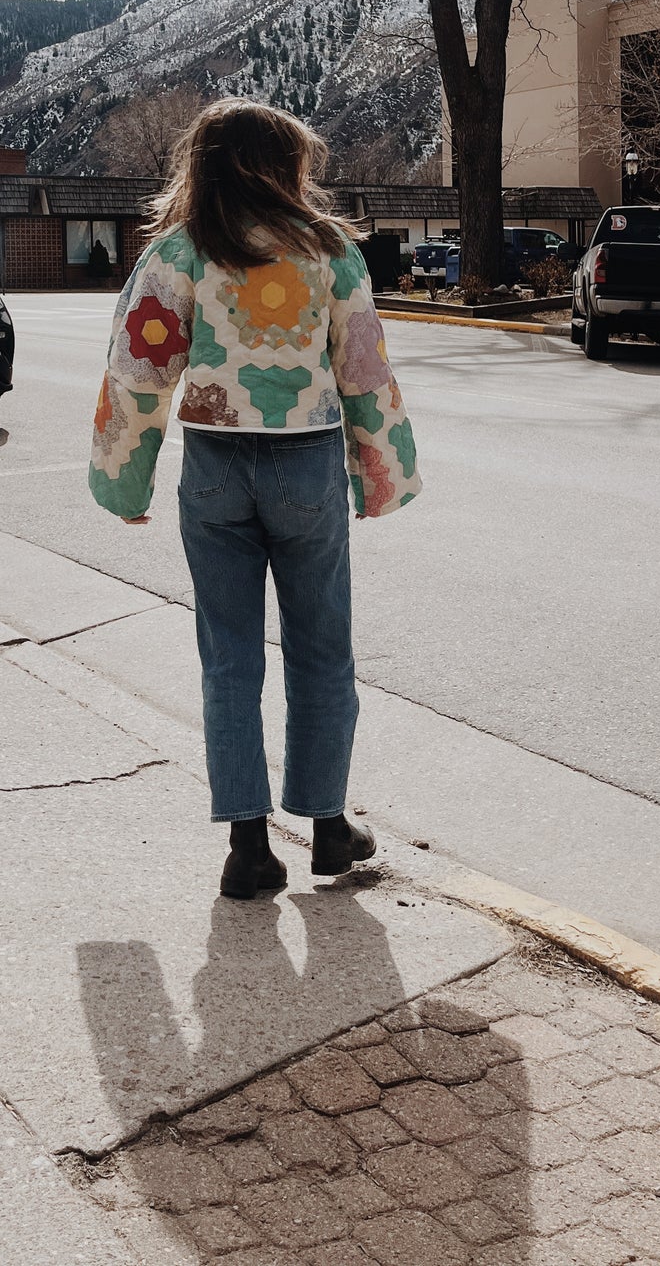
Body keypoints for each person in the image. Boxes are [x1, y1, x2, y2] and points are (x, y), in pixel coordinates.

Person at [88, 99, 420, 899]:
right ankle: (328, 826)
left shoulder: (177, 253)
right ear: (284, 168)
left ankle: (247, 846)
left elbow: (138, 370)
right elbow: (364, 369)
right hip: (304, 467)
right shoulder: (329, 251)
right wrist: (379, 475)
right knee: (320, 648)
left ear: (201, 166)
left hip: (212, 467)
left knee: (227, 657)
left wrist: (124, 480)